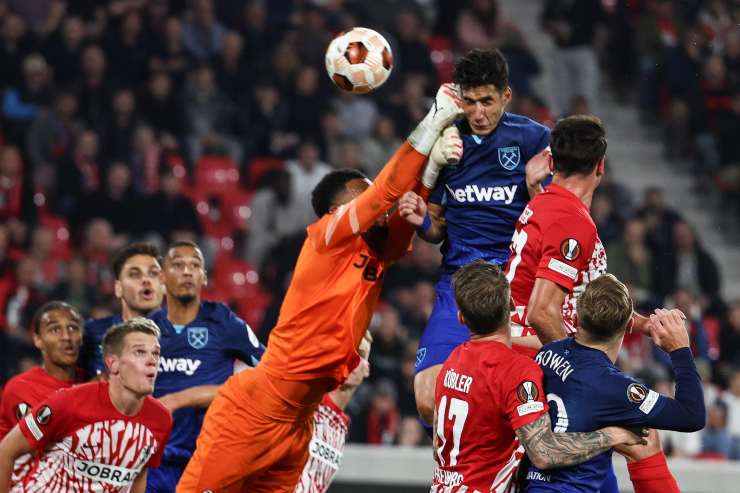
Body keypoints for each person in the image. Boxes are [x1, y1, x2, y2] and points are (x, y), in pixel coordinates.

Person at [177, 83, 464, 493]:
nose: (375, 204)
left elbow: (402, 224)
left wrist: (431, 171)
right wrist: (433, 122)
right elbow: (386, 193)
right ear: (337, 209)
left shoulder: (372, 252)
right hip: (257, 408)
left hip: (298, 421)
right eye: (361, 196)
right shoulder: (325, 238)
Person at [398, 48, 552, 426]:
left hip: (516, 287)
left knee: (535, 403)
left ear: (506, 96)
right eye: (469, 102)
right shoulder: (446, 143)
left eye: (487, 101)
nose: (478, 113)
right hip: (459, 285)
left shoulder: (534, 139)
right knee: (428, 400)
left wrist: (536, 189)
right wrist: (421, 221)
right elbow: (436, 230)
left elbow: (558, 220)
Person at [431, 261, 645, 492]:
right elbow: (543, 452)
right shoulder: (517, 370)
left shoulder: (451, 362)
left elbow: (437, 447)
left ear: (462, 317)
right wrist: (612, 435)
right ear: (512, 305)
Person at [525, 274, 704, 492]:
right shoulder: (615, 388)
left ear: (575, 320)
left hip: (530, 483)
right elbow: (691, 416)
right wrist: (680, 350)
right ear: (629, 326)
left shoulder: (547, 352)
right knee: (643, 437)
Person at [146, 240, 266, 492]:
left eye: (195, 265)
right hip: (155, 461)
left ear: (204, 277)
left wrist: (181, 398)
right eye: (178, 265)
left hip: (208, 460)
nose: (187, 271)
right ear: (161, 276)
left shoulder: (224, 322)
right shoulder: (146, 331)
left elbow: (269, 375)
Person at [0, 318, 173, 492]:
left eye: (156, 353)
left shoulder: (161, 420)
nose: (152, 360)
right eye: (140, 352)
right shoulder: (69, 402)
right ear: (112, 363)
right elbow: (6, 451)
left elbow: (139, 473)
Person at [0, 302, 84, 488]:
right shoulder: (21, 387)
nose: (66, 336)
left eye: (73, 328)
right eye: (55, 329)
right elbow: (51, 442)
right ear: (38, 340)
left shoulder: (89, 382)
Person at [293, 332, 372, 493]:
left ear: (367, 370)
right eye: (349, 354)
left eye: (361, 355)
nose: (353, 361)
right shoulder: (306, 407)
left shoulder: (341, 428)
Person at [80, 242, 165, 378]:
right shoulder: (92, 333)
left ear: (163, 285)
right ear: (118, 288)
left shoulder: (182, 337)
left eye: (153, 273)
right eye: (135, 274)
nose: (146, 280)